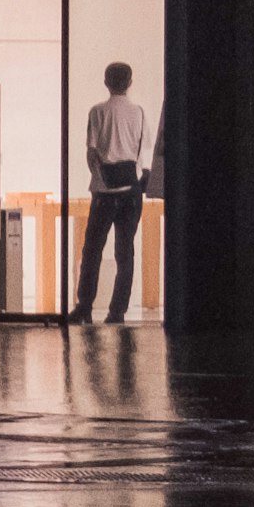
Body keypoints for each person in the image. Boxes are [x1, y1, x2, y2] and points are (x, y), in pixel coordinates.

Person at [77, 62, 150, 326]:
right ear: (130, 83)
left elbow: (91, 152)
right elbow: (144, 153)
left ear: (106, 82)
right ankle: (116, 312)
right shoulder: (139, 113)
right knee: (125, 253)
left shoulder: (98, 111)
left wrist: (99, 179)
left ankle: (84, 307)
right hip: (131, 190)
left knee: (93, 250)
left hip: (104, 192)